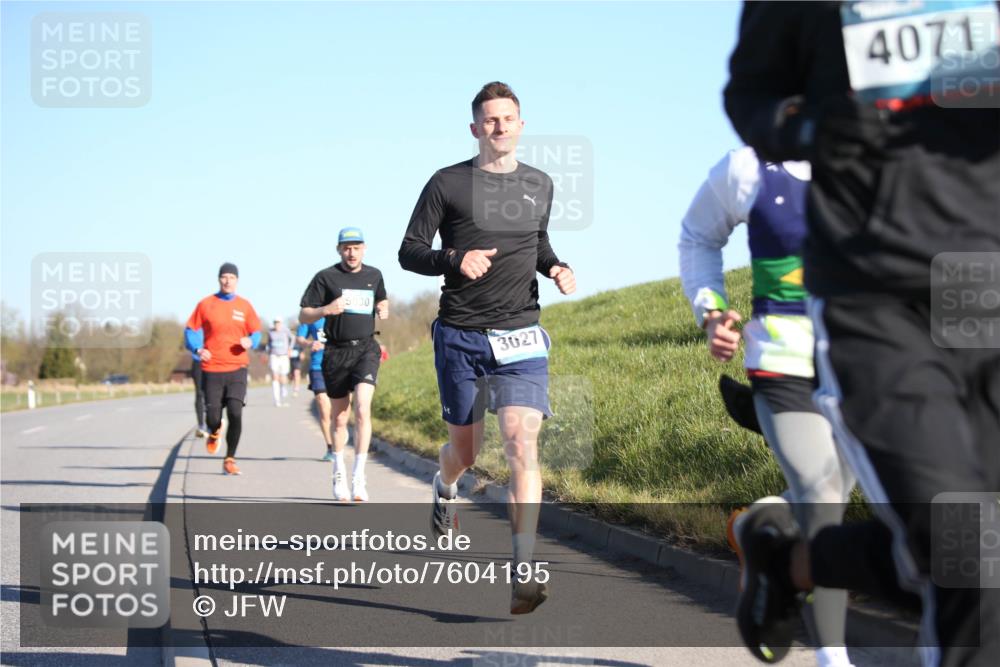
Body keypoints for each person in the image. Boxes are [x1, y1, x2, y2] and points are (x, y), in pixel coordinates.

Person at [724, 3, 1000, 665]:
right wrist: (808, 126)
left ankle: (792, 561)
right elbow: (752, 93)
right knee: (964, 543)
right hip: (873, 288)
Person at [398, 81, 576, 615]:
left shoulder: (539, 183)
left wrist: (556, 266)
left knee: (522, 444)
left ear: (521, 124)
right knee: (466, 454)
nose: (500, 127)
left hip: (521, 333)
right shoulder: (447, 183)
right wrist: (454, 259)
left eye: (508, 118)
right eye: (490, 120)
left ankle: (523, 569)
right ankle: (444, 484)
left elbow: (537, 242)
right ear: (476, 128)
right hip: (461, 335)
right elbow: (409, 251)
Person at [679, 146, 855, 667]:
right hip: (783, 362)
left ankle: (755, 529)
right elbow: (698, 236)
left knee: (835, 495)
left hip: (864, 366)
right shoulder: (746, 169)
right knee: (823, 500)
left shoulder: (884, 153)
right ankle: (833, 656)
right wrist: (710, 310)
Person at [299, 227, 388, 502]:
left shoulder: (374, 275)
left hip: (365, 349)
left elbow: (381, 297)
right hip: (336, 352)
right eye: (347, 248)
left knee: (362, 408)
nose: (352, 253)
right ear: (339, 250)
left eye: (356, 247)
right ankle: (338, 471)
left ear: (364, 249)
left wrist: (383, 306)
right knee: (339, 418)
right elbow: (303, 315)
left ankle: (359, 476)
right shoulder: (326, 277)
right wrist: (326, 309)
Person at [184, 262, 262, 476]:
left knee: (236, 411)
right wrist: (198, 348)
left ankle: (230, 459)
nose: (228, 281)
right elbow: (190, 330)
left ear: (237, 280)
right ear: (219, 279)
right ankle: (214, 431)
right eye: (224, 277)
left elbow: (256, 332)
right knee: (213, 417)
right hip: (212, 368)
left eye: (232, 277)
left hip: (237, 367)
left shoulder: (244, 306)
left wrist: (251, 341)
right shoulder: (206, 304)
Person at [297, 316, 335, 461]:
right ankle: (330, 447)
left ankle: (339, 434)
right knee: (323, 407)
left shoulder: (340, 314)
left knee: (339, 411)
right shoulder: (311, 316)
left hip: (339, 365)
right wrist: (310, 343)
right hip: (317, 366)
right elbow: (300, 338)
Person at [267, 319, 293, 406]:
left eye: (278, 323)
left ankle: (283, 387)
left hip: (283, 355)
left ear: (281, 323)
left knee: (283, 376)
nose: (277, 325)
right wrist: (268, 351)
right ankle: (277, 399)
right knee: (275, 376)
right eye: (275, 323)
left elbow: (293, 338)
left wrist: (290, 348)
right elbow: (269, 343)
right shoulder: (270, 332)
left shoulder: (285, 330)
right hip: (274, 355)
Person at [188, 329, 208, 437]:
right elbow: (189, 339)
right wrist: (198, 349)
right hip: (198, 362)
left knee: (213, 393)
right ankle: (201, 425)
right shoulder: (194, 325)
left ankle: (213, 422)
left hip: (215, 362)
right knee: (200, 393)